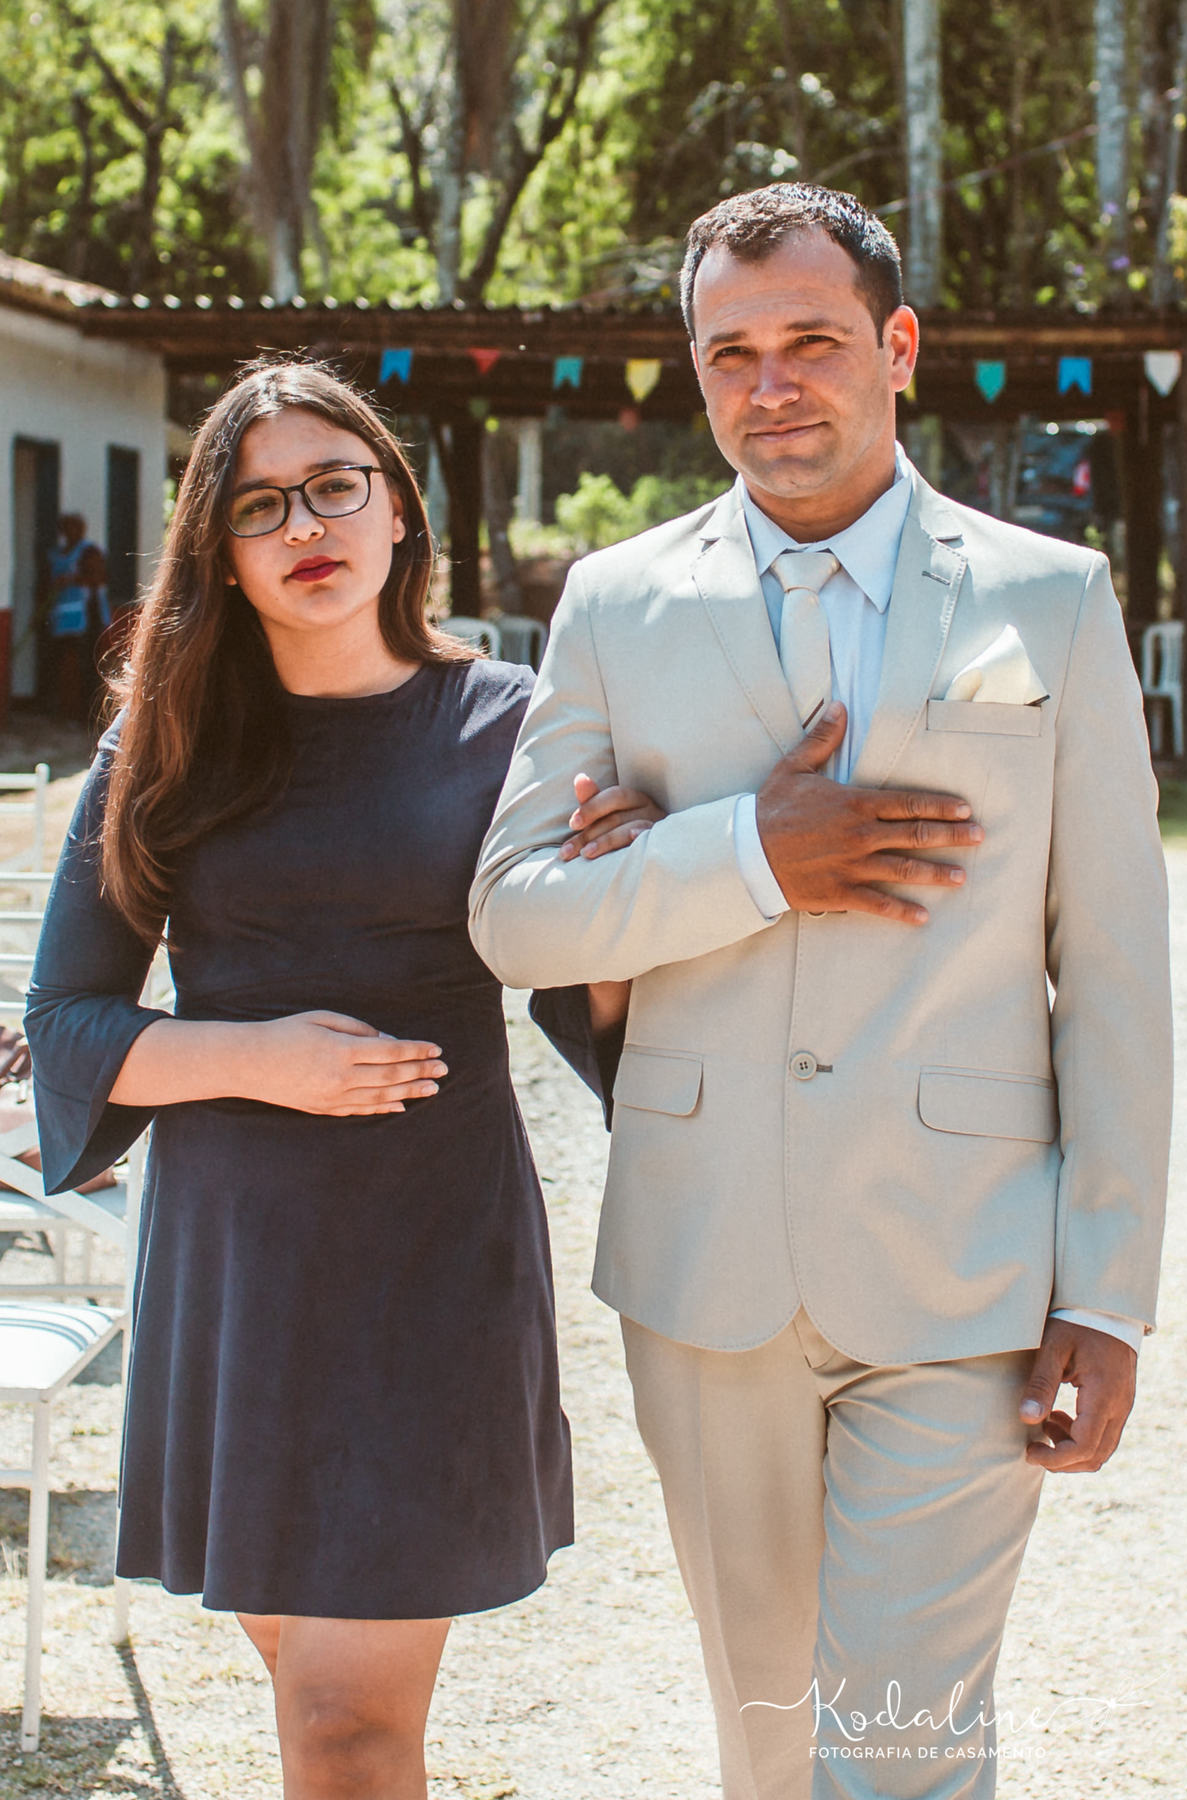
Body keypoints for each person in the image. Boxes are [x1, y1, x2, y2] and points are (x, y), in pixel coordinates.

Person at [469, 184, 1171, 1798]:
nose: (769, 385)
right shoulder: (615, 605)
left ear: (897, 347)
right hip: (703, 1261)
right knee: (770, 1746)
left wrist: (1109, 1293)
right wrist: (749, 853)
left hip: (966, 1272)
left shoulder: (1046, 600)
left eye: (810, 342)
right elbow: (514, 914)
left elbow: (1119, 973)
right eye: (731, 353)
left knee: (903, 1754)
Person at [24, 360, 655, 1800]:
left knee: (346, 1728)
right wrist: (263, 1059)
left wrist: (616, 896)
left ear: (395, 510)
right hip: (236, 1268)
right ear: (221, 556)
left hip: (431, 1256)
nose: (304, 522)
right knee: (309, 1703)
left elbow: (594, 1011)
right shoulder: (162, 740)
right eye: (259, 506)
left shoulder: (513, 725)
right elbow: (65, 1022)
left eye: (334, 484)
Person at [45, 512, 110, 720]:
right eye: (67, 528)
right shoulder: (56, 554)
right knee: (62, 664)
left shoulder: (89, 552)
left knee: (86, 666)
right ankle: (64, 710)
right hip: (61, 618)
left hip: (86, 618)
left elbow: (99, 578)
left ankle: (86, 714)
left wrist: (73, 580)